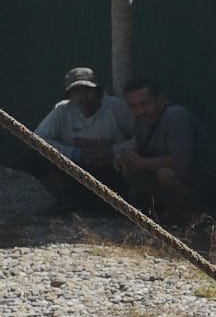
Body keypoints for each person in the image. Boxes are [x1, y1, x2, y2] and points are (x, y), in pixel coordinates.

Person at [115, 77, 216, 220]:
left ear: (160, 99)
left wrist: (141, 163)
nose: (140, 111)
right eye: (133, 106)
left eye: (145, 104)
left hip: (203, 178)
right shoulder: (141, 122)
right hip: (165, 175)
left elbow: (182, 160)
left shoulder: (175, 116)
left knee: (166, 175)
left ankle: (198, 213)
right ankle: (161, 211)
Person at [23, 67, 134, 212]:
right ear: (69, 95)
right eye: (76, 92)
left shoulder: (116, 107)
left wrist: (113, 152)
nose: (83, 96)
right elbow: (37, 139)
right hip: (78, 169)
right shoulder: (62, 110)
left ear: (99, 91)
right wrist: (75, 153)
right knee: (33, 157)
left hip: (112, 169)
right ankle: (67, 198)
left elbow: (143, 138)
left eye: (87, 90)